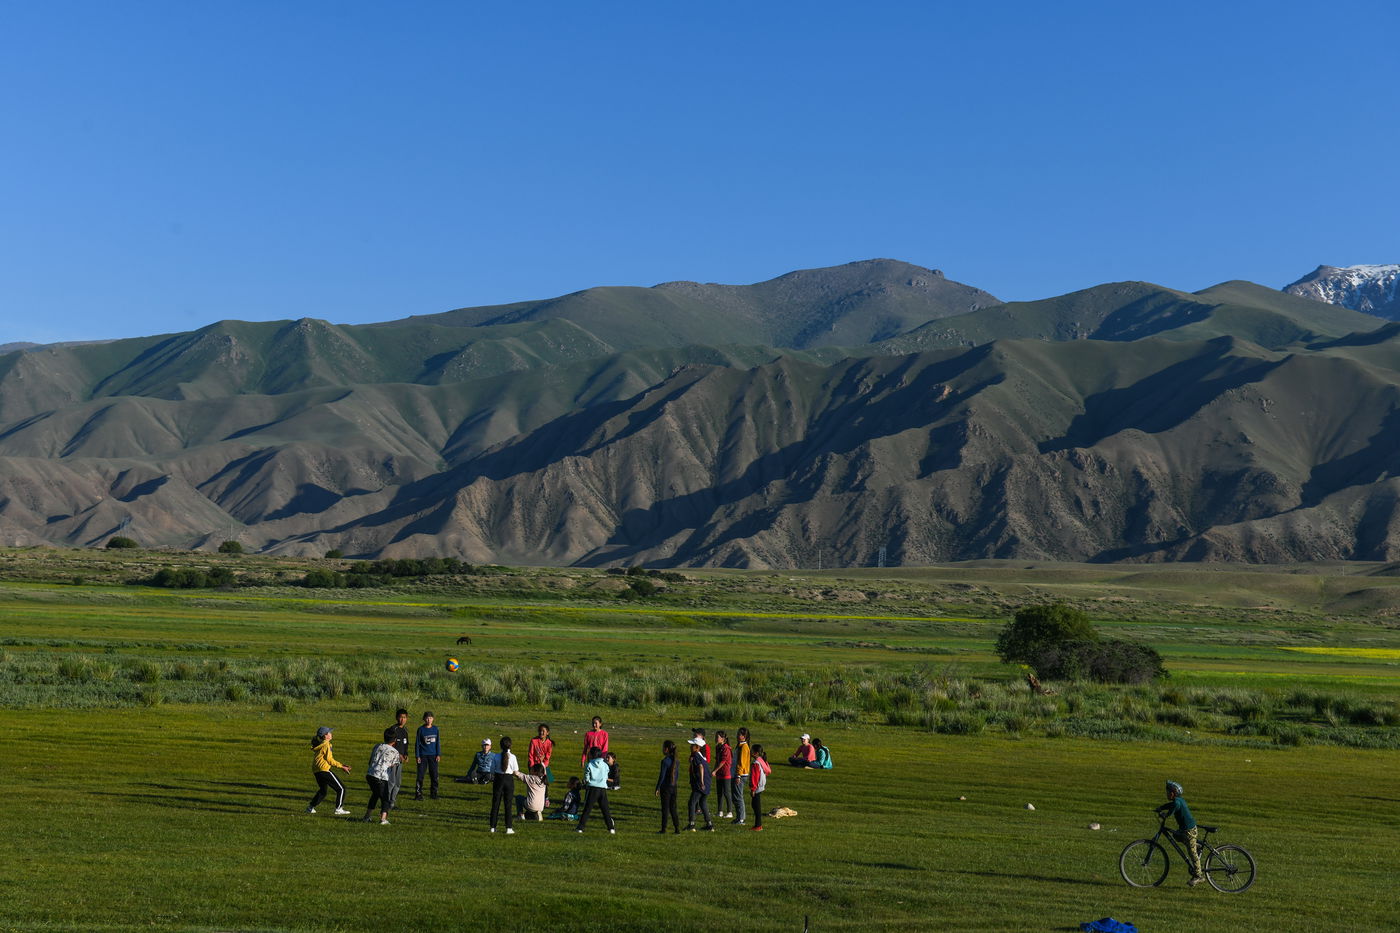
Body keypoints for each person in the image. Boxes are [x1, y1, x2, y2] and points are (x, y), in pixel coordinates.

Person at [1156, 780, 1205, 886]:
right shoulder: (1179, 800)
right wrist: (1161, 807)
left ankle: (1198, 876)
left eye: (1168, 792)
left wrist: (1165, 815)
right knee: (1176, 835)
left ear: (1172, 793)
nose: (1167, 794)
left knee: (1192, 854)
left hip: (1189, 831)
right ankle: (1196, 846)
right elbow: (1170, 805)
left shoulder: (1177, 802)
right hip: (1185, 830)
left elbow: (1173, 808)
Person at [306, 726, 352, 815]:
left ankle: (310, 808)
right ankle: (339, 809)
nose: (331, 734)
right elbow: (329, 760)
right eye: (329, 733)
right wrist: (342, 766)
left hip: (317, 771)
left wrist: (341, 765)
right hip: (323, 770)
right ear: (325, 735)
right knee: (341, 789)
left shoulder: (321, 744)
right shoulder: (327, 744)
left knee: (323, 791)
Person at [364, 737, 404, 824]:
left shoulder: (377, 746)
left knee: (375, 795)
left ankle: (367, 816)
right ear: (394, 741)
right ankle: (383, 819)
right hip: (381, 777)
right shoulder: (395, 752)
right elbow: (393, 765)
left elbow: (371, 760)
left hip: (370, 774)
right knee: (386, 798)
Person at [577, 747, 616, 834]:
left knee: (587, 809)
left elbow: (587, 777)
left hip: (592, 789)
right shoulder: (605, 765)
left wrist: (586, 782)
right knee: (605, 809)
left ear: (591, 755)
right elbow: (606, 776)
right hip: (602, 789)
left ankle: (580, 827)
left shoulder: (589, 764)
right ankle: (611, 828)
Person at [489, 736, 519, 834]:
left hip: (498, 779)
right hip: (509, 780)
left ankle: (492, 827)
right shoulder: (513, 757)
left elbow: (492, 770)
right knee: (508, 804)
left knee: (495, 803)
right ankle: (508, 828)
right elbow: (515, 771)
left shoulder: (496, 756)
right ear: (510, 745)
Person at [685, 735, 713, 831]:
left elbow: (700, 767)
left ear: (697, 747)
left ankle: (691, 825)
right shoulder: (700, 755)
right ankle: (709, 825)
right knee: (702, 802)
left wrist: (701, 781)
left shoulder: (696, 755)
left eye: (692, 745)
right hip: (708, 782)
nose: (690, 746)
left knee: (692, 802)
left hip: (702, 783)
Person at [383, 708, 410, 809]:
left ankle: (392, 802)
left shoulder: (405, 730)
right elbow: (389, 745)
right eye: (400, 717)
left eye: (404, 717)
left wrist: (406, 755)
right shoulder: (393, 729)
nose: (402, 720)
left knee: (398, 783)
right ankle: (386, 802)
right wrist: (398, 755)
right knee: (391, 782)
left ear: (407, 718)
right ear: (396, 718)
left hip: (401, 761)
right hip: (392, 761)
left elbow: (406, 745)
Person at [654, 739, 681, 834]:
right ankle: (677, 829)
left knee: (665, 809)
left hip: (666, 788)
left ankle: (663, 829)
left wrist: (657, 788)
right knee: (673, 808)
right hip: (674, 787)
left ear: (666, 749)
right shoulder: (676, 761)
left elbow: (662, 776)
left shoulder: (665, 761)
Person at [414, 711, 441, 800]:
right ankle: (418, 793)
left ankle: (434, 793)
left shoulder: (436, 729)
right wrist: (417, 756)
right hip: (423, 755)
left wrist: (438, 754)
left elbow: (438, 742)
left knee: (434, 775)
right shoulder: (421, 729)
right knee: (420, 775)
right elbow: (417, 743)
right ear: (424, 719)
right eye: (427, 718)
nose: (429, 720)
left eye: (430, 718)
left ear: (433, 719)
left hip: (433, 756)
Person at [712, 731, 734, 819]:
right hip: (719, 773)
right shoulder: (718, 747)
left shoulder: (726, 748)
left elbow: (723, 762)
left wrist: (715, 770)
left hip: (726, 773)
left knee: (727, 793)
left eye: (717, 737)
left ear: (723, 739)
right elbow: (717, 761)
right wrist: (714, 770)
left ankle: (730, 812)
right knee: (719, 793)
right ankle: (720, 811)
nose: (716, 739)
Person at [749, 744, 771, 831]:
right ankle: (758, 825)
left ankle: (758, 825)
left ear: (755, 753)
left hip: (757, 787)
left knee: (756, 806)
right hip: (761, 786)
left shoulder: (755, 763)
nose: (750, 752)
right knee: (754, 805)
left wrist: (753, 789)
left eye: (751, 750)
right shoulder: (761, 760)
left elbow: (755, 777)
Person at [732, 727, 752, 825]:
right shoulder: (739, 745)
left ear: (744, 736)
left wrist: (738, 775)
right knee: (735, 796)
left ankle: (741, 818)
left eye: (740, 734)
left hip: (741, 774)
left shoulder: (744, 747)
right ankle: (738, 817)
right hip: (737, 774)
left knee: (738, 796)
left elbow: (742, 762)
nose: (738, 736)